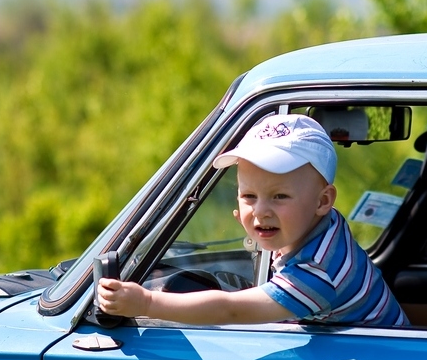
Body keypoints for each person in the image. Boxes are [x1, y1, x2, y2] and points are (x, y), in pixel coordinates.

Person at [97, 113, 409, 327]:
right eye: (248, 196)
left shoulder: (317, 270)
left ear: (323, 201)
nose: (260, 212)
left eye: (279, 197)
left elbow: (230, 310)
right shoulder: (320, 226)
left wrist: (146, 303)